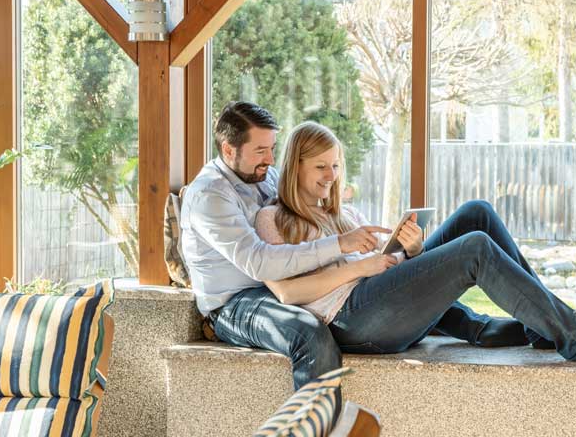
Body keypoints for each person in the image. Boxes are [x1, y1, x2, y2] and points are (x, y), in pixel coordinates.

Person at [180, 102, 528, 399]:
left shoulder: (263, 174)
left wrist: (383, 246)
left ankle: (490, 327)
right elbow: (260, 263)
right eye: (261, 151)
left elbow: (294, 218)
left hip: (280, 282)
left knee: (444, 254)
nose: (271, 160)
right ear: (228, 150)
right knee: (308, 333)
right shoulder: (211, 194)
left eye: (273, 149)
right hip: (237, 300)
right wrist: (340, 246)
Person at [254, 121, 576, 363]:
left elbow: (384, 267)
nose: (331, 175)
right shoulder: (272, 219)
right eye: (321, 166)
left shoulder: (343, 214)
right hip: (350, 320)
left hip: (377, 295)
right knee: (474, 247)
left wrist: (411, 251)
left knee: (476, 213)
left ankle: (544, 329)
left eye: (336, 166)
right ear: (295, 166)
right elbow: (287, 292)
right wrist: (362, 266)